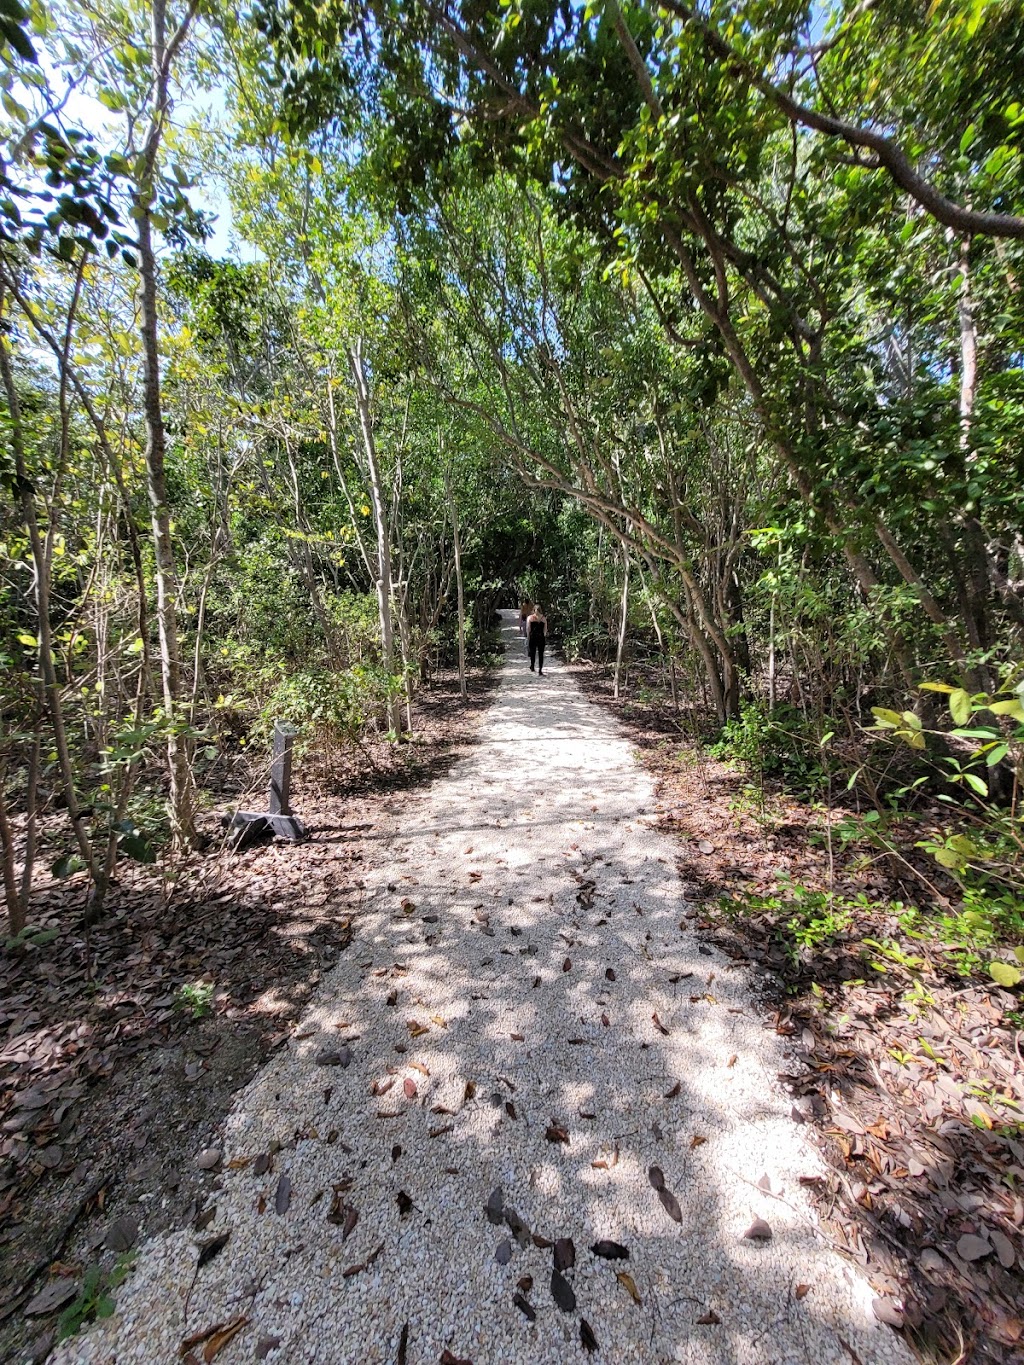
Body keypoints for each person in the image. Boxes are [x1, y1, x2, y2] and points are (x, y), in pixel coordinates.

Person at [526, 604, 547, 675]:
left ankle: (532, 666)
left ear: (534, 610)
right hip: (541, 637)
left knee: (532, 653)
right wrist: (543, 636)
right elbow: (545, 630)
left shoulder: (530, 618)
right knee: (541, 654)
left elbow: (528, 628)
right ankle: (540, 670)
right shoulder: (543, 618)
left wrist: (528, 636)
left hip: (533, 637)